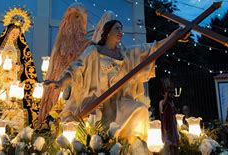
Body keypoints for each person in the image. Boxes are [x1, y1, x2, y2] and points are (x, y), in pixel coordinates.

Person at [45, 19, 178, 145]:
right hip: (96, 101)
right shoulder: (93, 51)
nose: (120, 31)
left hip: (120, 101)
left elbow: (150, 49)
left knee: (141, 109)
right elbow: (76, 68)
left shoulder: (126, 54)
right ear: (108, 32)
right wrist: (61, 81)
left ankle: (132, 146)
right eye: (117, 28)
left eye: (121, 28)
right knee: (93, 124)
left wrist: (172, 37)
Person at [38, 3, 91, 125]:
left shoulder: (88, 44)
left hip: (78, 85)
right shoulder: (62, 43)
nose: (76, 22)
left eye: (79, 17)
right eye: (75, 17)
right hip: (65, 83)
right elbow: (57, 66)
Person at [159, 80, 178, 154]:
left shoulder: (171, 102)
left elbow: (175, 111)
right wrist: (166, 94)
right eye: (167, 93)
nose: (170, 94)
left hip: (173, 124)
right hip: (166, 125)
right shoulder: (161, 102)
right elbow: (162, 109)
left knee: (174, 143)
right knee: (168, 143)